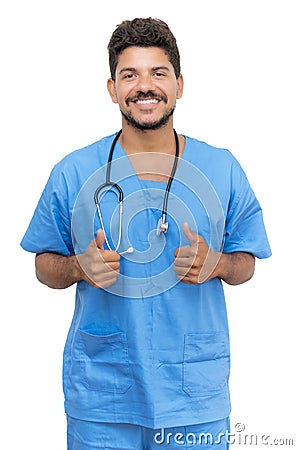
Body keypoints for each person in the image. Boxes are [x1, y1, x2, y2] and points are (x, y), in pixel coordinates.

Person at [21, 17, 271, 450]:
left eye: (158, 73)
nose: (144, 86)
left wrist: (220, 264)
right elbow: (44, 265)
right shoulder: (74, 171)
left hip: (193, 396)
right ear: (112, 89)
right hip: (104, 397)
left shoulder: (222, 168)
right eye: (129, 75)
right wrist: (80, 266)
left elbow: (245, 263)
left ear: (179, 84)